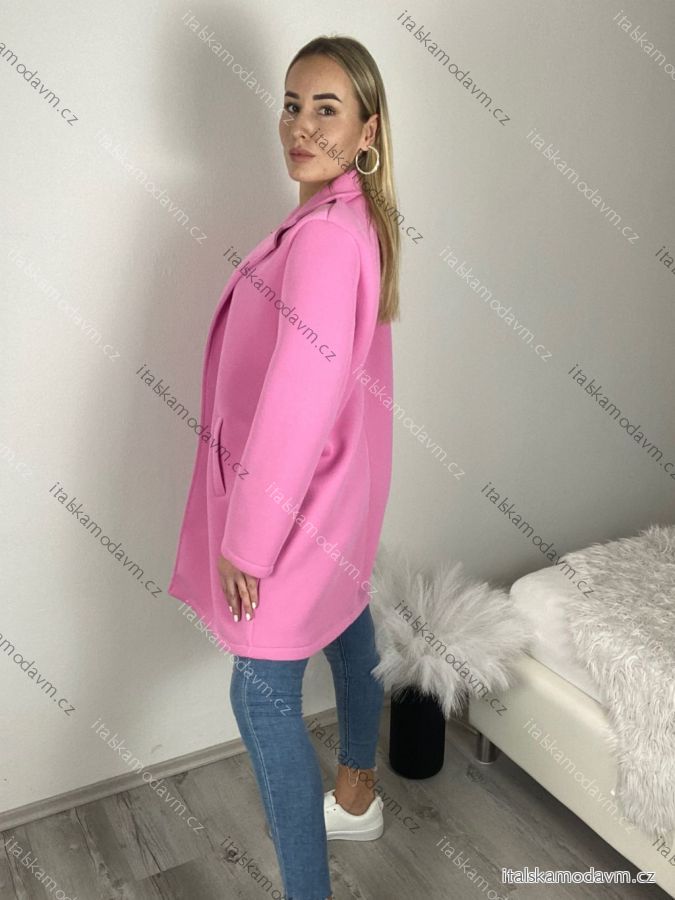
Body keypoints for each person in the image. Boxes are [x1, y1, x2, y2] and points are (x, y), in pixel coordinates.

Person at [168, 34, 400, 899]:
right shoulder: (348, 219)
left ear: (367, 131)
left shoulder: (326, 240)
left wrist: (249, 539)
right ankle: (358, 792)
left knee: (260, 698)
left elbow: (296, 401)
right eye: (293, 105)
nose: (301, 126)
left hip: (294, 509)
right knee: (348, 623)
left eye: (326, 109)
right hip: (340, 499)